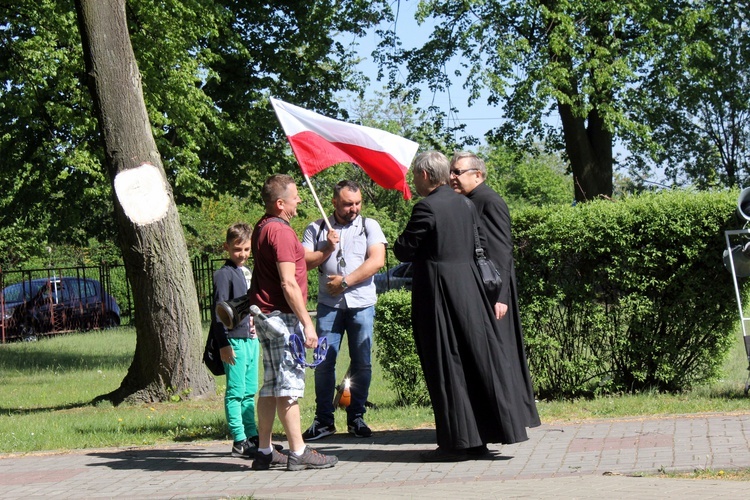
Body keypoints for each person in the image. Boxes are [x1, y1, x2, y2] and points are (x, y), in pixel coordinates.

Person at [393, 151, 533, 462]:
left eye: (416, 175)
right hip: (469, 291)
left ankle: (455, 444)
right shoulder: (466, 204)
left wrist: (399, 243)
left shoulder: (426, 207)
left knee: (445, 365)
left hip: (439, 294)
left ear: (427, 175)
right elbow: (478, 244)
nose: (414, 181)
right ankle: (478, 440)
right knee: (471, 364)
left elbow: (405, 250)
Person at [247, 174, 338, 471]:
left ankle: (263, 451)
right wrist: (307, 325)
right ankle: (298, 451)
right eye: (296, 196)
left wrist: (326, 249)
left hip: (266, 315)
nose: (300, 200)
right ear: (280, 202)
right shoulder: (282, 233)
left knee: (272, 386)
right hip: (281, 318)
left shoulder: (263, 227)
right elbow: (288, 283)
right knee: (287, 386)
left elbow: (299, 262)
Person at [450, 151, 541, 429]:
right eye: (451, 171)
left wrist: (500, 296)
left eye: (458, 172)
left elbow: (502, 251)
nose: (452, 177)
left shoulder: (489, 200)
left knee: (500, 356)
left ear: (477, 175)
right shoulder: (468, 201)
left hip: (494, 293)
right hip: (484, 290)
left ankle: (511, 418)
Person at [301, 180, 387, 440]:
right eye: (348, 204)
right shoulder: (316, 228)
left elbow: (377, 260)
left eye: (358, 203)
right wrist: (326, 247)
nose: (354, 208)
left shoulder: (369, 226)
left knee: (362, 361)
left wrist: (346, 281)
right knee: (324, 362)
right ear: (334, 202)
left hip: (362, 304)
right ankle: (324, 420)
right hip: (329, 307)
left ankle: (356, 417)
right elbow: (304, 261)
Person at [210, 223, 260, 459]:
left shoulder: (248, 272)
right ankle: (239, 440)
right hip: (234, 341)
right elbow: (219, 310)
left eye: (247, 249)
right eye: (237, 249)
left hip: (251, 340)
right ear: (227, 247)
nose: (242, 254)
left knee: (250, 391)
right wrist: (223, 344)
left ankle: (252, 436)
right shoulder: (224, 274)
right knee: (236, 392)